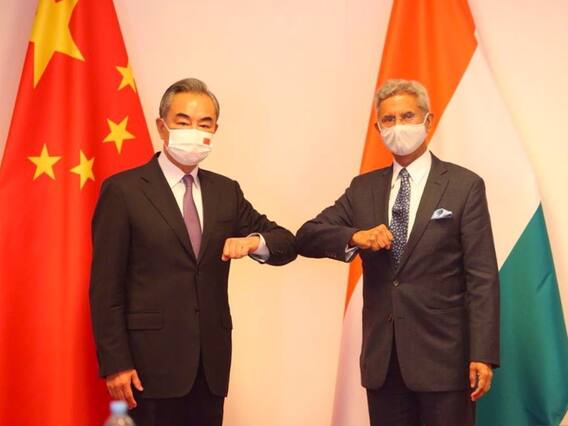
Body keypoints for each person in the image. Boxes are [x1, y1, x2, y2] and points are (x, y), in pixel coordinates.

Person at [89, 78, 296, 426]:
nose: (194, 132)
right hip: (147, 367)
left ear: (215, 130)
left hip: (210, 366)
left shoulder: (225, 191)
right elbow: (105, 287)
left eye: (204, 124)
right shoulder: (124, 191)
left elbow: (285, 243)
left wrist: (253, 241)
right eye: (183, 122)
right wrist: (116, 363)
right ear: (162, 126)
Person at [296, 79, 499, 426]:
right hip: (384, 362)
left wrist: (483, 353)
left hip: (445, 361)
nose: (398, 126)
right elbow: (307, 236)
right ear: (378, 129)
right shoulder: (363, 188)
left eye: (407, 116)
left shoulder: (464, 186)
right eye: (388, 120)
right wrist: (355, 236)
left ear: (428, 121)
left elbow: (482, 277)